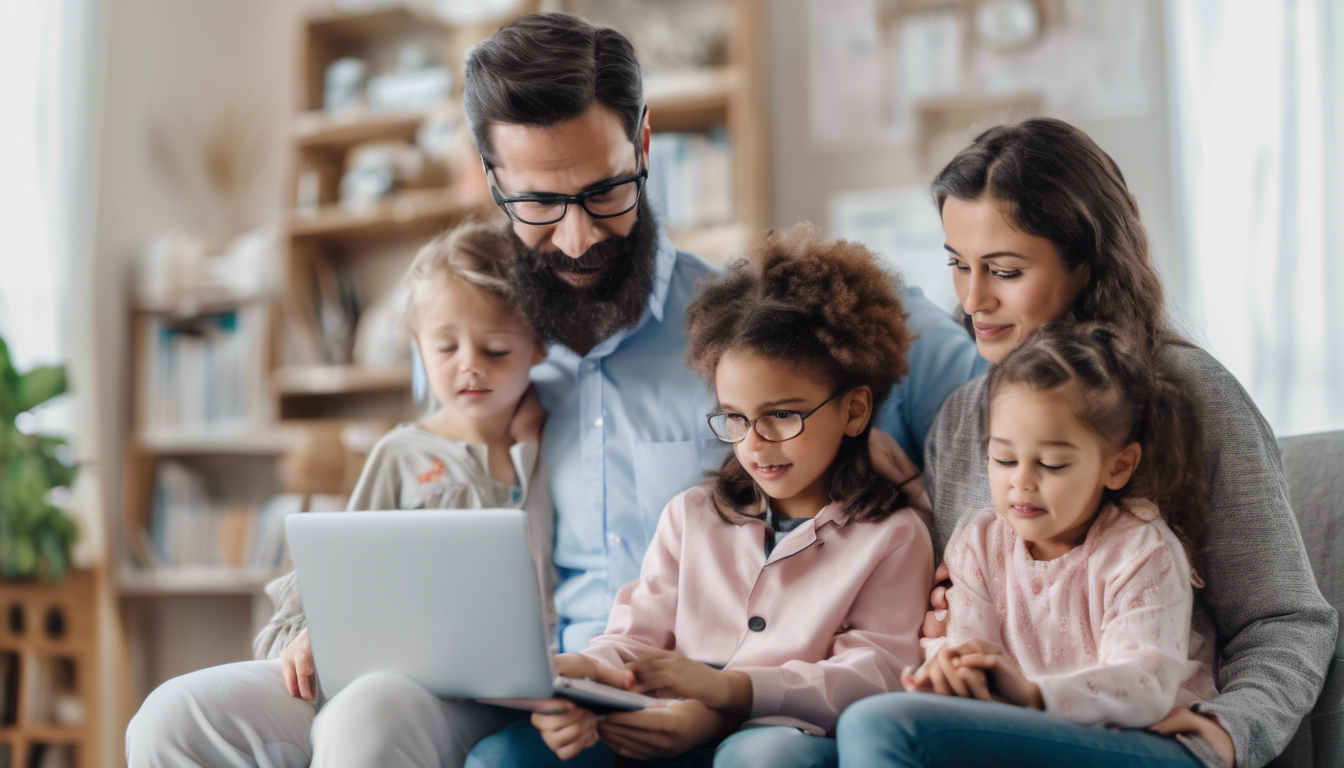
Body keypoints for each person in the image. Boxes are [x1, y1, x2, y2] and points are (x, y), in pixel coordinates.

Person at [126, 13, 986, 766]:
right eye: (538, 204)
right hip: (501, 672)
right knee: (175, 720)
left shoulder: (752, 333)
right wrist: (350, 621)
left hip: (647, 688)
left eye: (605, 191)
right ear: (489, 177)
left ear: (644, 145)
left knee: (371, 720)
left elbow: (991, 404)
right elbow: (421, 518)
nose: (576, 239)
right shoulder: (485, 349)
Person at [842, 118, 1337, 768]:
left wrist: (1226, 732)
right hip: (1015, 735)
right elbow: (983, 594)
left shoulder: (1191, 395)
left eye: (1005, 270)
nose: (971, 300)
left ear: (1086, 263)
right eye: (959, 265)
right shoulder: (966, 416)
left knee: (886, 730)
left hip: (1158, 738)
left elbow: (1285, 619)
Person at [468, 224, 935, 768]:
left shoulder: (894, 538)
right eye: (734, 419)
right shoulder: (691, 515)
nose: (754, 444)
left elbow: (870, 675)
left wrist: (727, 694)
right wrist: (584, 675)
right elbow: (634, 636)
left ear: (854, 410)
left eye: (782, 415)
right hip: (655, 723)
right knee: (506, 756)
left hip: (780, 734)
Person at [126, 222, 551, 766]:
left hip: (484, 698)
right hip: (368, 671)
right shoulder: (401, 455)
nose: (469, 364)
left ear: (537, 345)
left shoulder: (559, 445)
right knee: (170, 715)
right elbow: (331, 584)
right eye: (444, 346)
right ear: (418, 345)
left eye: (495, 348)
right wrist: (314, 633)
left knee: (369, 718)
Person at [850, 322, 1219, 767]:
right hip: (1036, 737)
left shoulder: (1142, 550)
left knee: (881, 727)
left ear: (1118, 466)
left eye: (1051, 463)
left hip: (1151, 742)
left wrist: (1030, 695)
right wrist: (951, 670)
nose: (1021, 481)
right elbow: (967, 647)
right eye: (1004, 458)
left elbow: (1144, 688)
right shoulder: (980, 542)